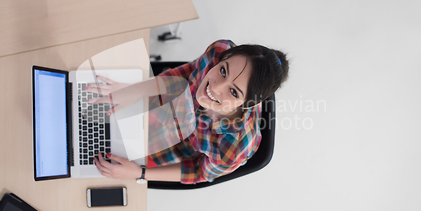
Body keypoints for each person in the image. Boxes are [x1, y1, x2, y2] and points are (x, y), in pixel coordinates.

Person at [86, 39, 289, 184]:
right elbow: (183, 74)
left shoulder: (236, 146)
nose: (215, 88)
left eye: (233, 91)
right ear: (223, 58)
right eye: (223, 71)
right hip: (157, 105)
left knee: (87, 161)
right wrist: (132, 91)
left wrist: (139, 173)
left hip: (161, 150)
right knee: (85, 110)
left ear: (249, 104)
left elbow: (198, 171)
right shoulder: (218, 51)